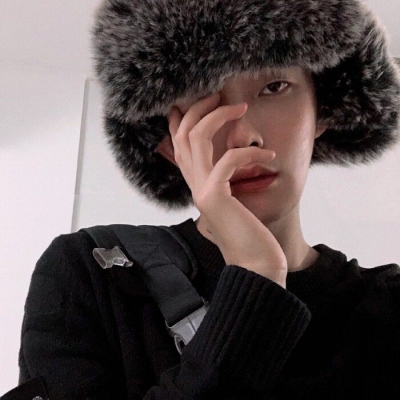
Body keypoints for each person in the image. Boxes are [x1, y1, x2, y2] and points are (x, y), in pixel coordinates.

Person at [2, 0, 400, 399]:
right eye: (202, 100)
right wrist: (256, 277)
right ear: (166, 140)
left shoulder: (388, 305)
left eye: (274, 87)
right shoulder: (92, 273)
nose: (244, 137)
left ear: (324, 111)